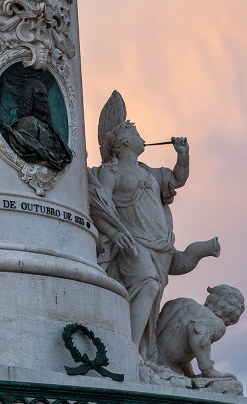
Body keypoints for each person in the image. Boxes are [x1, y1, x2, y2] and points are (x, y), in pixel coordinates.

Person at [88, 92, 220, 367]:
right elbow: (98, 206)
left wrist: (183, 155)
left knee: (151, 299)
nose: (141, 137)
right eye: (136, 132)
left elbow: (177, 179)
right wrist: (113, 234)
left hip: (159, 246)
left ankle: (141, 354)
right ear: (124, 141)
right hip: (130, 242)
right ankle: (129, 352)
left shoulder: (151, 172)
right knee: (147, 285)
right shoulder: (110, 172)